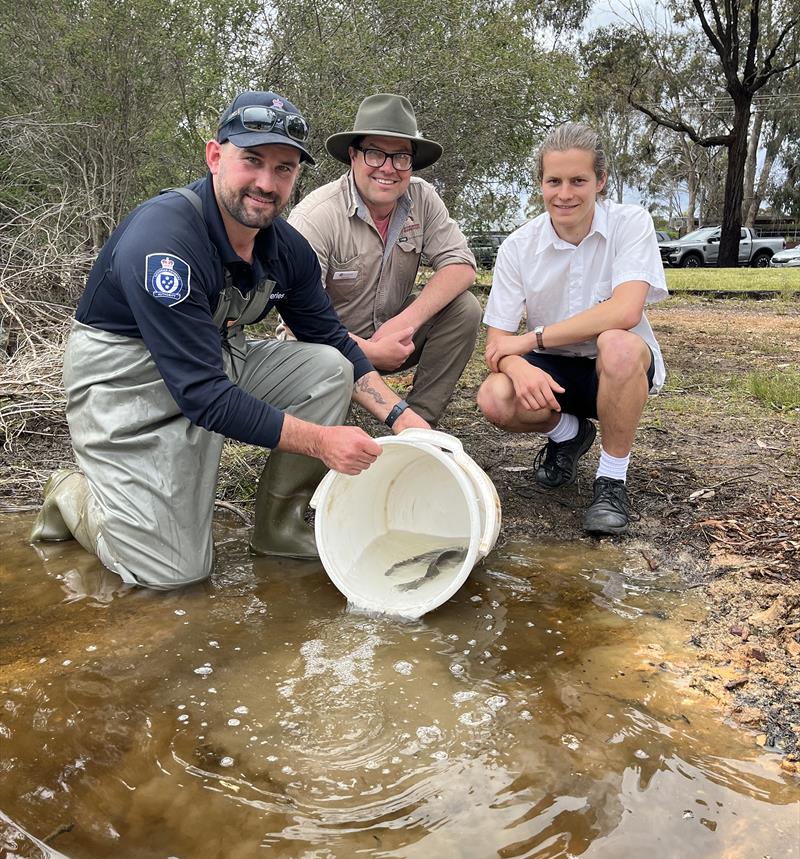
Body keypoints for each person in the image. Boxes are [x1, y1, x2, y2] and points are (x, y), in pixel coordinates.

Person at [29, 91, 430, 590]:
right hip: (124, 380)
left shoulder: (287, 250)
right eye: (252, 161)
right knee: (173, 574)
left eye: (283, 168)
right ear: (215, 156)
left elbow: (331, 339)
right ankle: (76, 494)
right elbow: (201, 395)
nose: (266, 183)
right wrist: (324, 442)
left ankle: (280, 529)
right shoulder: (164, 242)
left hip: (210, 358)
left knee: (329, 368)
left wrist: (409, 424)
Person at [477, 122, 668, 535]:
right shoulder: (518, 246)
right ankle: (571, 433)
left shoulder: (630, 223)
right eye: (554, 181)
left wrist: (532, 339)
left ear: (600, 181)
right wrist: (517, 365)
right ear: (541, 185)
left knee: (617, 344)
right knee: (494, 396)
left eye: (578, 180)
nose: (565, 194)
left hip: (616, 369)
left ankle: (611, 481)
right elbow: (496, 343)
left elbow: (626, 311)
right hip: (554, 370)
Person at [287, 93, 481, 426]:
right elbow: (299, 324)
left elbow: (461, 265)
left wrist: (403, 324)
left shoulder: (421, 198)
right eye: (375, 153)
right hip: (321, 347)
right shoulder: (315, 217)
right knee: (323, 436)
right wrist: (367, 351)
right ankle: (318, 444)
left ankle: (419, 430)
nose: (388, 168)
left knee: (464, 309)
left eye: (401, 157)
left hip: (391, 336)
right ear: (353, 155)